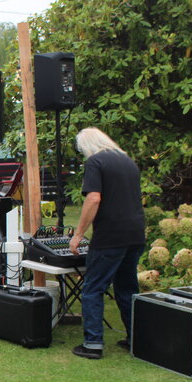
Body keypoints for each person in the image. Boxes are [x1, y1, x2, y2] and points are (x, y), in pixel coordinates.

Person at [69, 127, 145, 359]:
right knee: (127, 288)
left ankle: (93, 343)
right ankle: (137, 339)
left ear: (87, 146)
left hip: (110, 235)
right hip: (135, 233)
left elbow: (94, 198)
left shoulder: (95, 162)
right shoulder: (127, 161)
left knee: (93, 288)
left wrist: (79, 234)